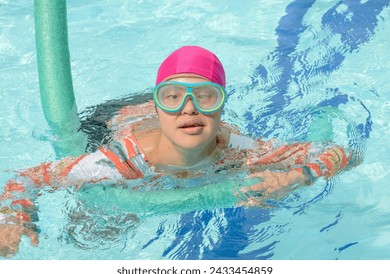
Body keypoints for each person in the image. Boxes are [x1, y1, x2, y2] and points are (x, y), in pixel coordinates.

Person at [0, 46, 353, 257]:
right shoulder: (123, 161)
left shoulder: (239, 152)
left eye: (205, 96)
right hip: (110, 121)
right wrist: (14, 216)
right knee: (89, 237)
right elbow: (26, 178)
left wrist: (296, 176)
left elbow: (338, 153)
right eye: (173, 97)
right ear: (158, 107)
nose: (189, 108)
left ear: (221, 108)